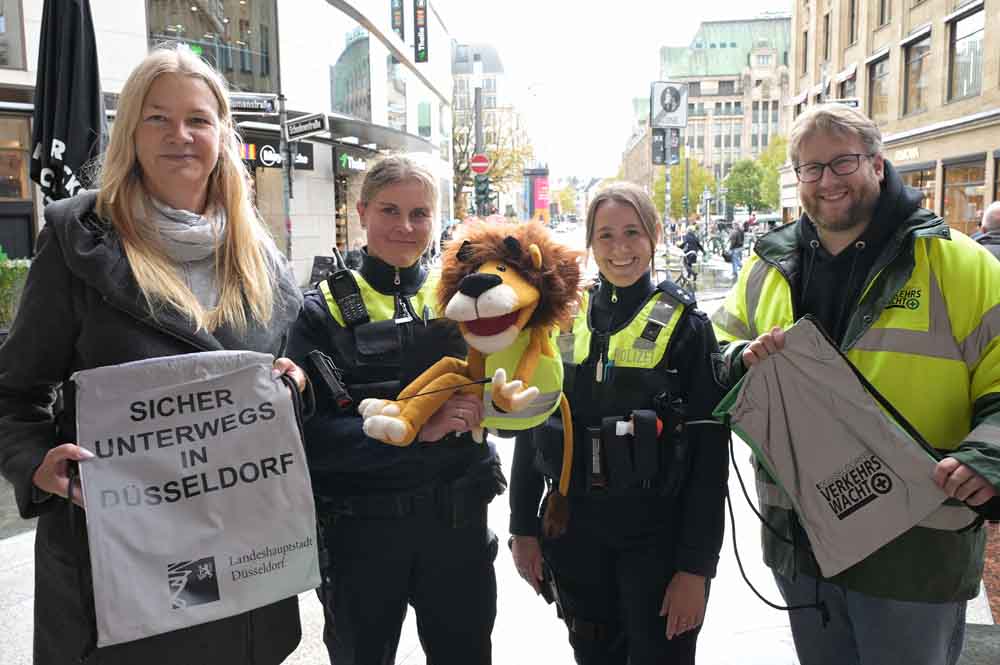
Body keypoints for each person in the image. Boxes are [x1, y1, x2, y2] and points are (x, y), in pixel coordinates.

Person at [0, 47, 307, 665]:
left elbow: (285, 373)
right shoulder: (77, 242)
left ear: (222, 135)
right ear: (131, 135)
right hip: (122, 567)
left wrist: (294, 386)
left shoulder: (259, 254)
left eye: (197, 120)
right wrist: (35, 463)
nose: (179, 135)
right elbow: (13, 393)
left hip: (242, 561)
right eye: (157, 118)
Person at [711, 103, 1000, 665]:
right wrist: (740, 358)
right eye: (811, 168)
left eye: (842, 162)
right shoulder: (767, 265)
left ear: (877, 164)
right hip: (802, 544)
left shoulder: (956, 262)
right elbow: (717, 347)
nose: (827, 181)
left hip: (913, 547)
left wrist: (986, 456)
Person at [286, 155, 505, 665]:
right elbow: (307, 437)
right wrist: (414, 430)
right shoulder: (321, 308)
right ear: (361, 211)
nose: (405, 227)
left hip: (457, 529)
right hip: (362, 536)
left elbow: (519, 402)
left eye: (419, 213)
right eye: (390, 210)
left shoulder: (466, 297)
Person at [509, 182, 728, 665]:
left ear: (654, 235)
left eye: (632, 232)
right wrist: (522, 527)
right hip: (575, 531)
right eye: (605, 235)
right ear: (590, 241)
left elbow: (710, 458)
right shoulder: (562, 317)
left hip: (659, 538)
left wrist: (696, 569)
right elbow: (532, 424)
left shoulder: (688, 327)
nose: (619, 248)